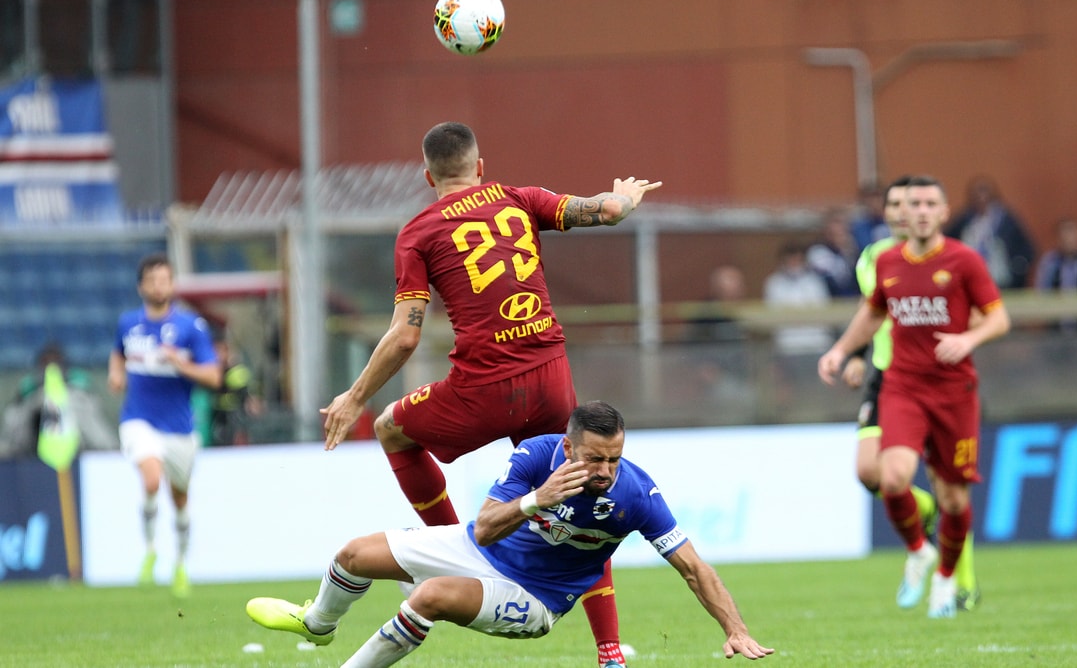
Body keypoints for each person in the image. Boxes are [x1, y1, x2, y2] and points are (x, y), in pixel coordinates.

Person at [318, 121, 661, 668]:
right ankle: (610, 652)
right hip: (549, 379)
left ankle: (450, 554)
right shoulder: (519, 198)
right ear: (480, 167)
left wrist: (356, 395)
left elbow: (405, 336)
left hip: (482, 387)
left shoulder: (418, 232)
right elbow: (608, 211)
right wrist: (624, 198)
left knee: (391, 429)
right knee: (583, 491)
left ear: (427, 176)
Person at [246, 401, 773, 666]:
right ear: (567, 448)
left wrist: (736, 628)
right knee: (352, 555)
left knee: (428, 597)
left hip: (535, 597)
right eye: (595, 458)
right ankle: (318, 624)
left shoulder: (635, 494)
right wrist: (538, 499)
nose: (606, 470)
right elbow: (484, 527)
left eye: (615, 458)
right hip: (477, 549)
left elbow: (693, 568)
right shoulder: (536, 455)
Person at [817, 175, 1011, 619]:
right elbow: (872, 312)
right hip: (901, 385)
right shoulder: (885, 261)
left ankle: (949, 577)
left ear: (944, 212)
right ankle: (920, 550)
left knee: (953, 499)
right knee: (891, 477)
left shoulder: (964, 260)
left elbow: (998, 318)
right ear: (900, 212)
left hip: (953, 391)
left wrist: (967, 339)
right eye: (913, 204)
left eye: (928, 204)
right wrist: (842, 351)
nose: (919, 211)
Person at [107, 252, 221, 598]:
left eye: (165, 280)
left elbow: (213, 377)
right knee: (151, 479)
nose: (159, 286)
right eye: (152, 280)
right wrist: (116, 373)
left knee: (180, 498)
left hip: (179, 429)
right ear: (141, 287)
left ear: (172, 285)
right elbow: (118, 352)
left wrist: (180, 364)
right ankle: (150, 550)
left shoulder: (190, 327)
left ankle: (181, 563)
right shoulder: (128, 324)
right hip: (138, 419)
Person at [945, 174, 1036, 289]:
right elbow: (947, 243)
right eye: (977, 194)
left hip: (1002, 280)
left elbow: (1027, 249)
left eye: (985, 192)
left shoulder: (1006, 220)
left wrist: (1018, 269)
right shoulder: (963, 221)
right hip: (969, 280)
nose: (981, 198)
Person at [1033, 217, 1077, 292]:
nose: (1069, 240)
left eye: (1073, 235)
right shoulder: (1050, 261)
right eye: (1065, 236)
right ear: (1058, 239)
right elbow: (1042, 290)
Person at [807, 208, 861, 297]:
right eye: (834, 233)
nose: (839, 234)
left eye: (842, 232)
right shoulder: (818, 252)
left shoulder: (854, 251)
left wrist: (848, 252)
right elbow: (835, 281)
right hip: (828, 299)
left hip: (853, 299)